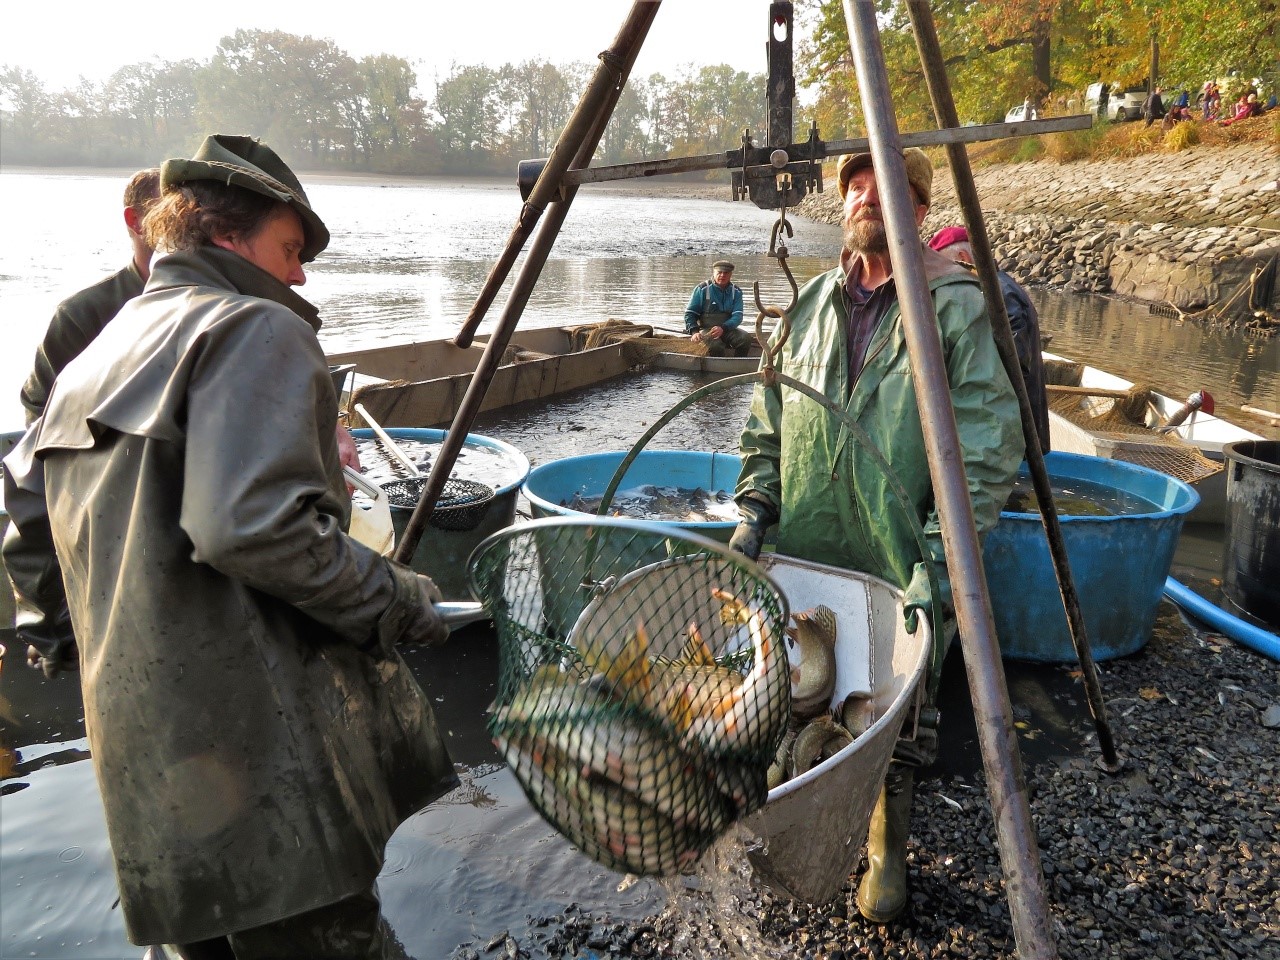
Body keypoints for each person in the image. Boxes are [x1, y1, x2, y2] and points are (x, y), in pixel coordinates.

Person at [2, 134, 455, 959]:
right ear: (227, 233)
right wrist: (400, 599)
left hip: (147, 775)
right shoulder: (255, 327)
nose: (299, 277)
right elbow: (254, 527)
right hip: (266, 763)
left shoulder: (99, 348)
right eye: (290, 248)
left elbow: (26, 516)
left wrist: (61, 638)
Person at [729, 148, 1023, 923]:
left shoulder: (952, 305)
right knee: (804, 688)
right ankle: (804, 817)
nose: (862, 197)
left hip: (903, 550)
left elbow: (988, 446)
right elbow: (767, 415)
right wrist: (756, 507)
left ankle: (888, 844)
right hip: (814, 539)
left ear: (918, 210)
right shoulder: (811, 305)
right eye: (853, 187)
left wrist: (939, 555)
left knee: (901, 706)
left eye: (881, 187)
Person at [20, 168, 161, 425]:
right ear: (135, 220)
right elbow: (38, 412)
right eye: (167, 214)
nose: (183, 225)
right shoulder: (80, 315)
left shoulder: (210, 303)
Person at [927, 226, 1051, 453]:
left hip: (1010, 427)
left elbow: (1012, 362)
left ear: (962, 258)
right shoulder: (996, 286)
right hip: (1008, 423)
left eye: (944, 266)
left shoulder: (998, 293)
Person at [684, 259, 754, 356]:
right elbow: (690, 313)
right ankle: (717, 366)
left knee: (745, 338)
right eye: (719, 272)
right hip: (706, 330)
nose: (722, 275)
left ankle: (739, 363)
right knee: (716, 346)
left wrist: (723, 328)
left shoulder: (736, 291)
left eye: (726, 273)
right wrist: (694, 332)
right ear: (714, 272)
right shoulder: (702, 289)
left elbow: (738, 316)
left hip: (728, 329)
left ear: (730, 275)